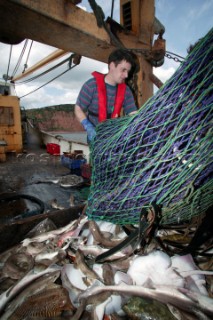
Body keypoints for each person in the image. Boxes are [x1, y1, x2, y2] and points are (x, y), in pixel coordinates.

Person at [74, 48, 138, 143]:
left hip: (114, 138)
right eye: (123, 70)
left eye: (127, 71)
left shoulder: (126, 91)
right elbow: (78, 108)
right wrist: (87, 126)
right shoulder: (91, 86)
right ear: (112, 66)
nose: (126, 75)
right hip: (94, 137)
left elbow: (133, 114)